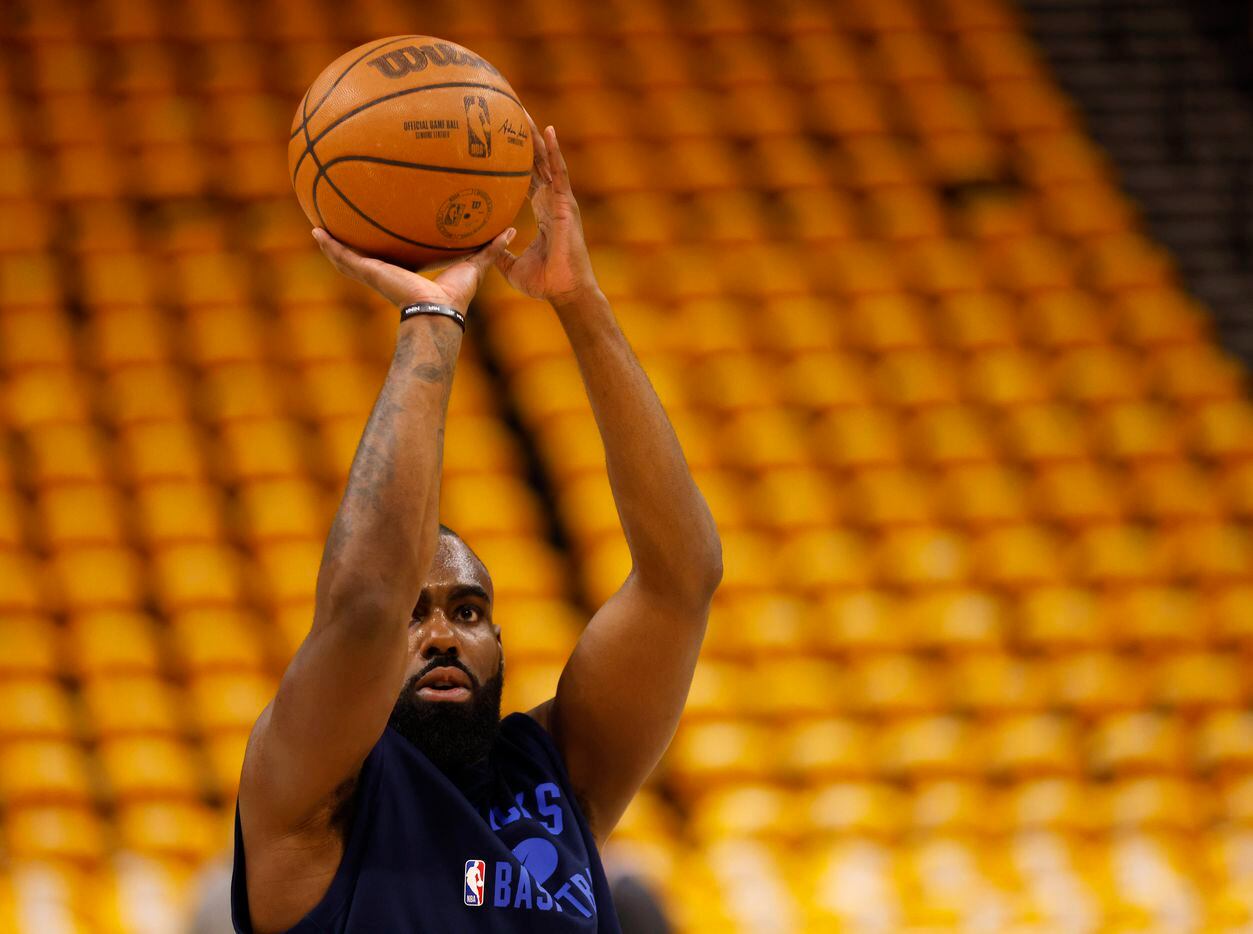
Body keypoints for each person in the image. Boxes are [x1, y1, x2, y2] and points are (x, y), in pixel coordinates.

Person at [231, 125, 722, 933]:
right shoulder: (305, 784)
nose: (440, 634)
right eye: (417, 613)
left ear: (499, 638)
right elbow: (364, 608)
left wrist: (578, 301)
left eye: (465, 611)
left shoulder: (556, 774)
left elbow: (682, 580)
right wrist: (429, 319)